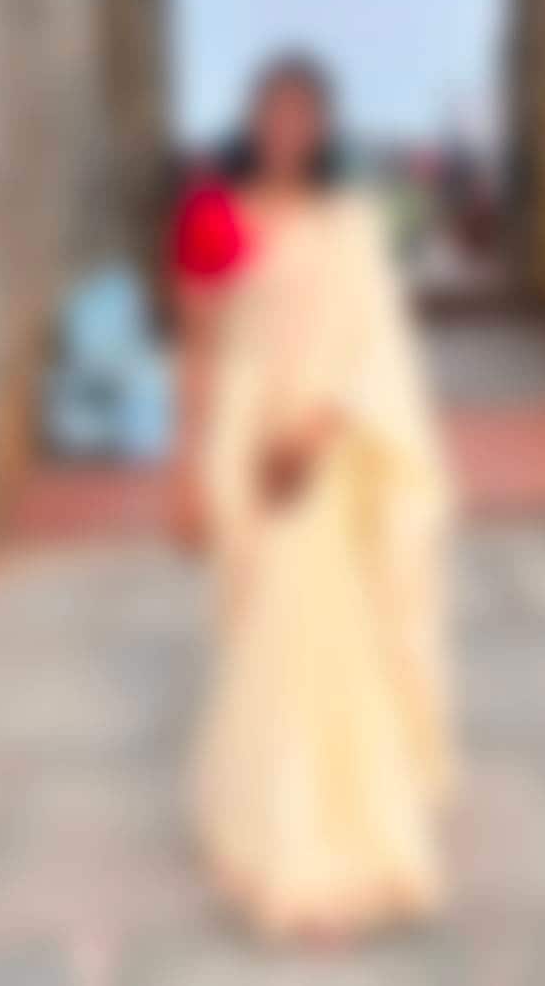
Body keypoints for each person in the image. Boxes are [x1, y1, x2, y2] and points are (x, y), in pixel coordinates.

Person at [170, 53, 455, 942]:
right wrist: (187, 471)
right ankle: (251, 812)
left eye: (304, 112)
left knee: (319, 634)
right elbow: (198, 344)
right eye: (273, 108)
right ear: (250, 117)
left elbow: (375, 346)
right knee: (254, 630)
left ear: (325, 125)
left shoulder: (350, 222)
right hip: (242, 440)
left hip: (326, 439)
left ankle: (318, 844)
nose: (287, 126)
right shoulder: (212, 212)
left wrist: (318, 430)